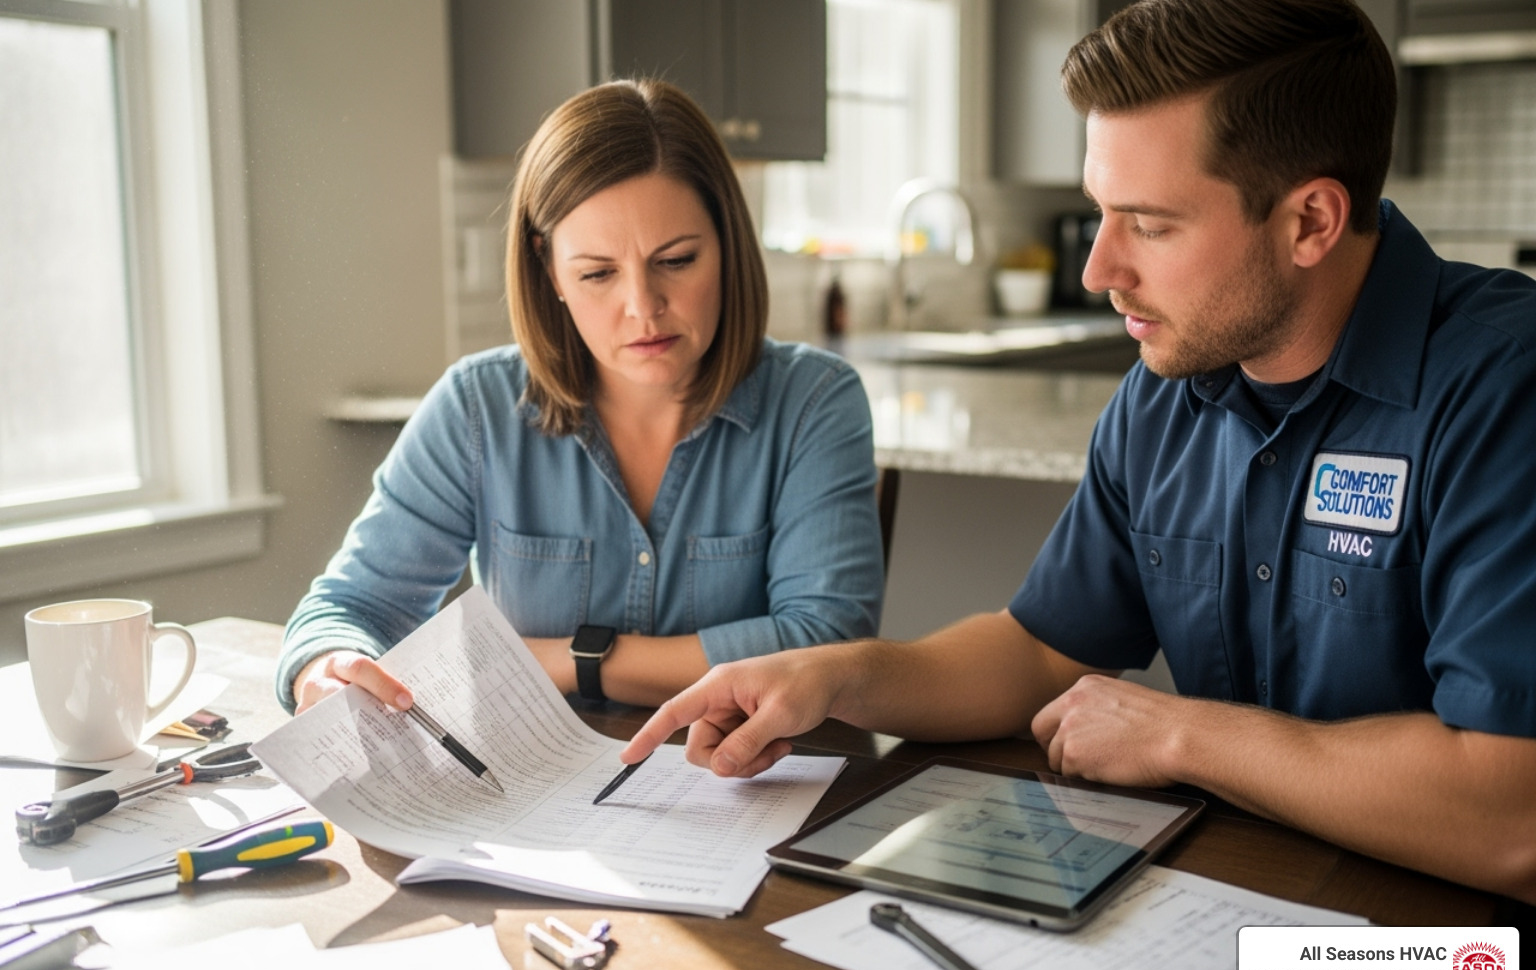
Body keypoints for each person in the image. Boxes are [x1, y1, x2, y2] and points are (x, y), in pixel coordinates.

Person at [621, 0, 1536, 902]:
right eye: (1101, 211)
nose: (1100, 268)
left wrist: (1183, 735)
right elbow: (1040, 652)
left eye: (1151, 223)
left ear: (1310, 222)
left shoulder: (1503, 387)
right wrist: (840, 674)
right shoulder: (1166, 391)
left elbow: (1511, 816)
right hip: (1245, 897)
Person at [276, 80, 884, 715]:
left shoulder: (814, 401)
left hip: (747, 785)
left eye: (675, 261)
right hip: (529, 792)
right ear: (549, 270)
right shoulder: (476, 407)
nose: (643, 308)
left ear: (728, 244)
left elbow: (825, 646)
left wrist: (565, 659)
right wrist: (326, 666)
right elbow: (352, 608)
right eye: (597, 273)